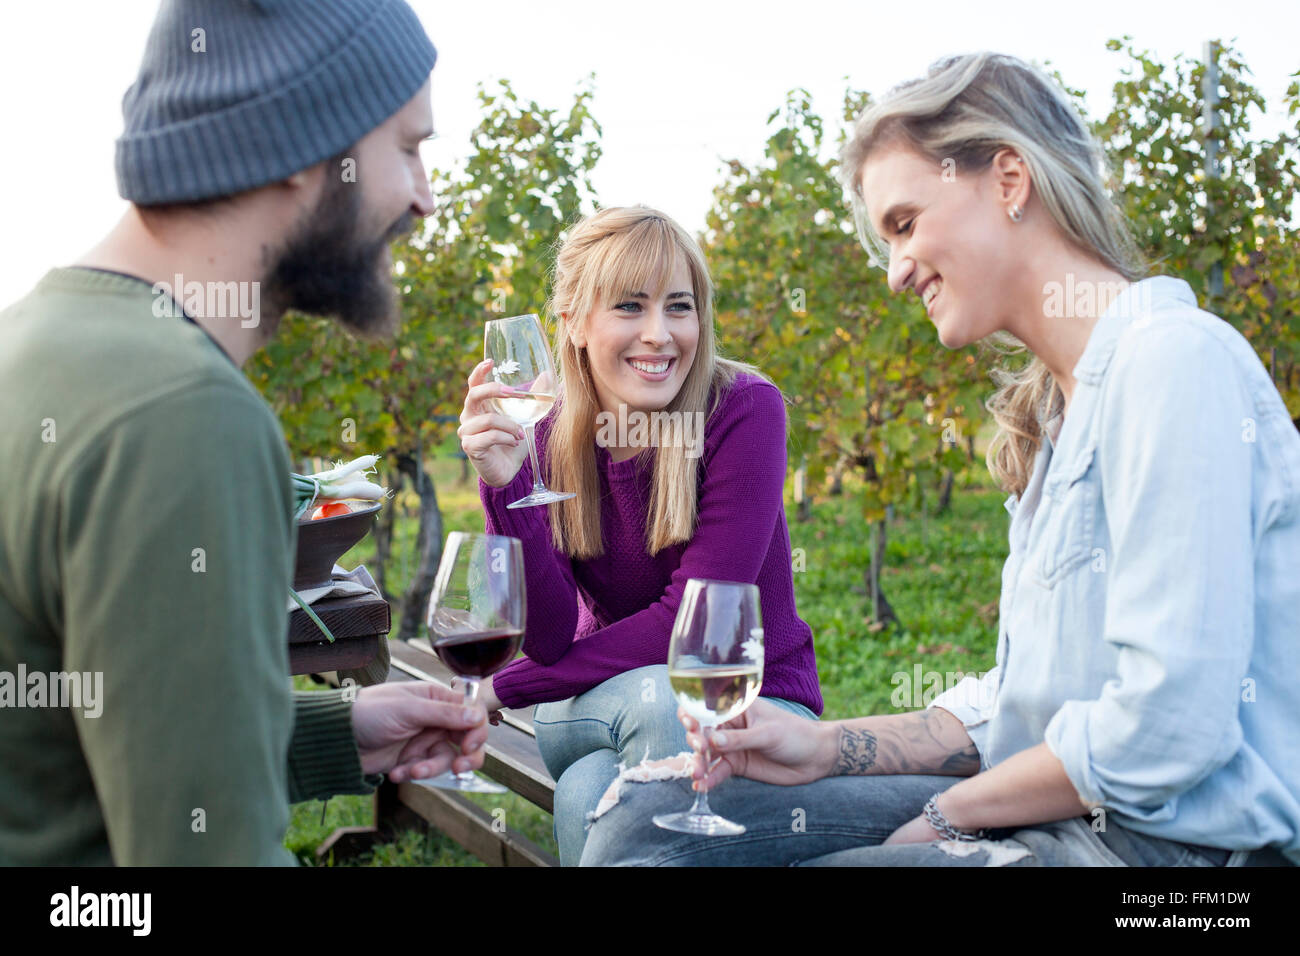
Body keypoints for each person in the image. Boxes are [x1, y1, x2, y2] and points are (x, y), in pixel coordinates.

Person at [580, 52, 1300, 867]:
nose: (894, 274)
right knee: (648, 817)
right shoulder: (1064, 414)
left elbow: (1167, 728)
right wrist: (825, 746)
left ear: (1009, 180)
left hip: (1173, 863)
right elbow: (1020, 706)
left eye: (905, 224)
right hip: (1059, 818)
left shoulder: (1171, 364)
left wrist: (955, 813)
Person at [0, 0, 490, 865]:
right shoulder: (180, 415)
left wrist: (335, 735)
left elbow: (66, 743)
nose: (425, 199)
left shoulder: (37, 345)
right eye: (409, 149)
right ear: (305, 144)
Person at [456, 206, 824, 864]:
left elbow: (692, 625)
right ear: (571, 323)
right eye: (630, 306)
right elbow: (544, 638)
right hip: (594, 700)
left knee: (585, 794)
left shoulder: (742, 407)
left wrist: (499, 690)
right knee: (658, 705)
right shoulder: (546, 429)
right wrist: (504, 483)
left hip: (755, 701)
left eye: (678, 307)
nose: (659, 335)